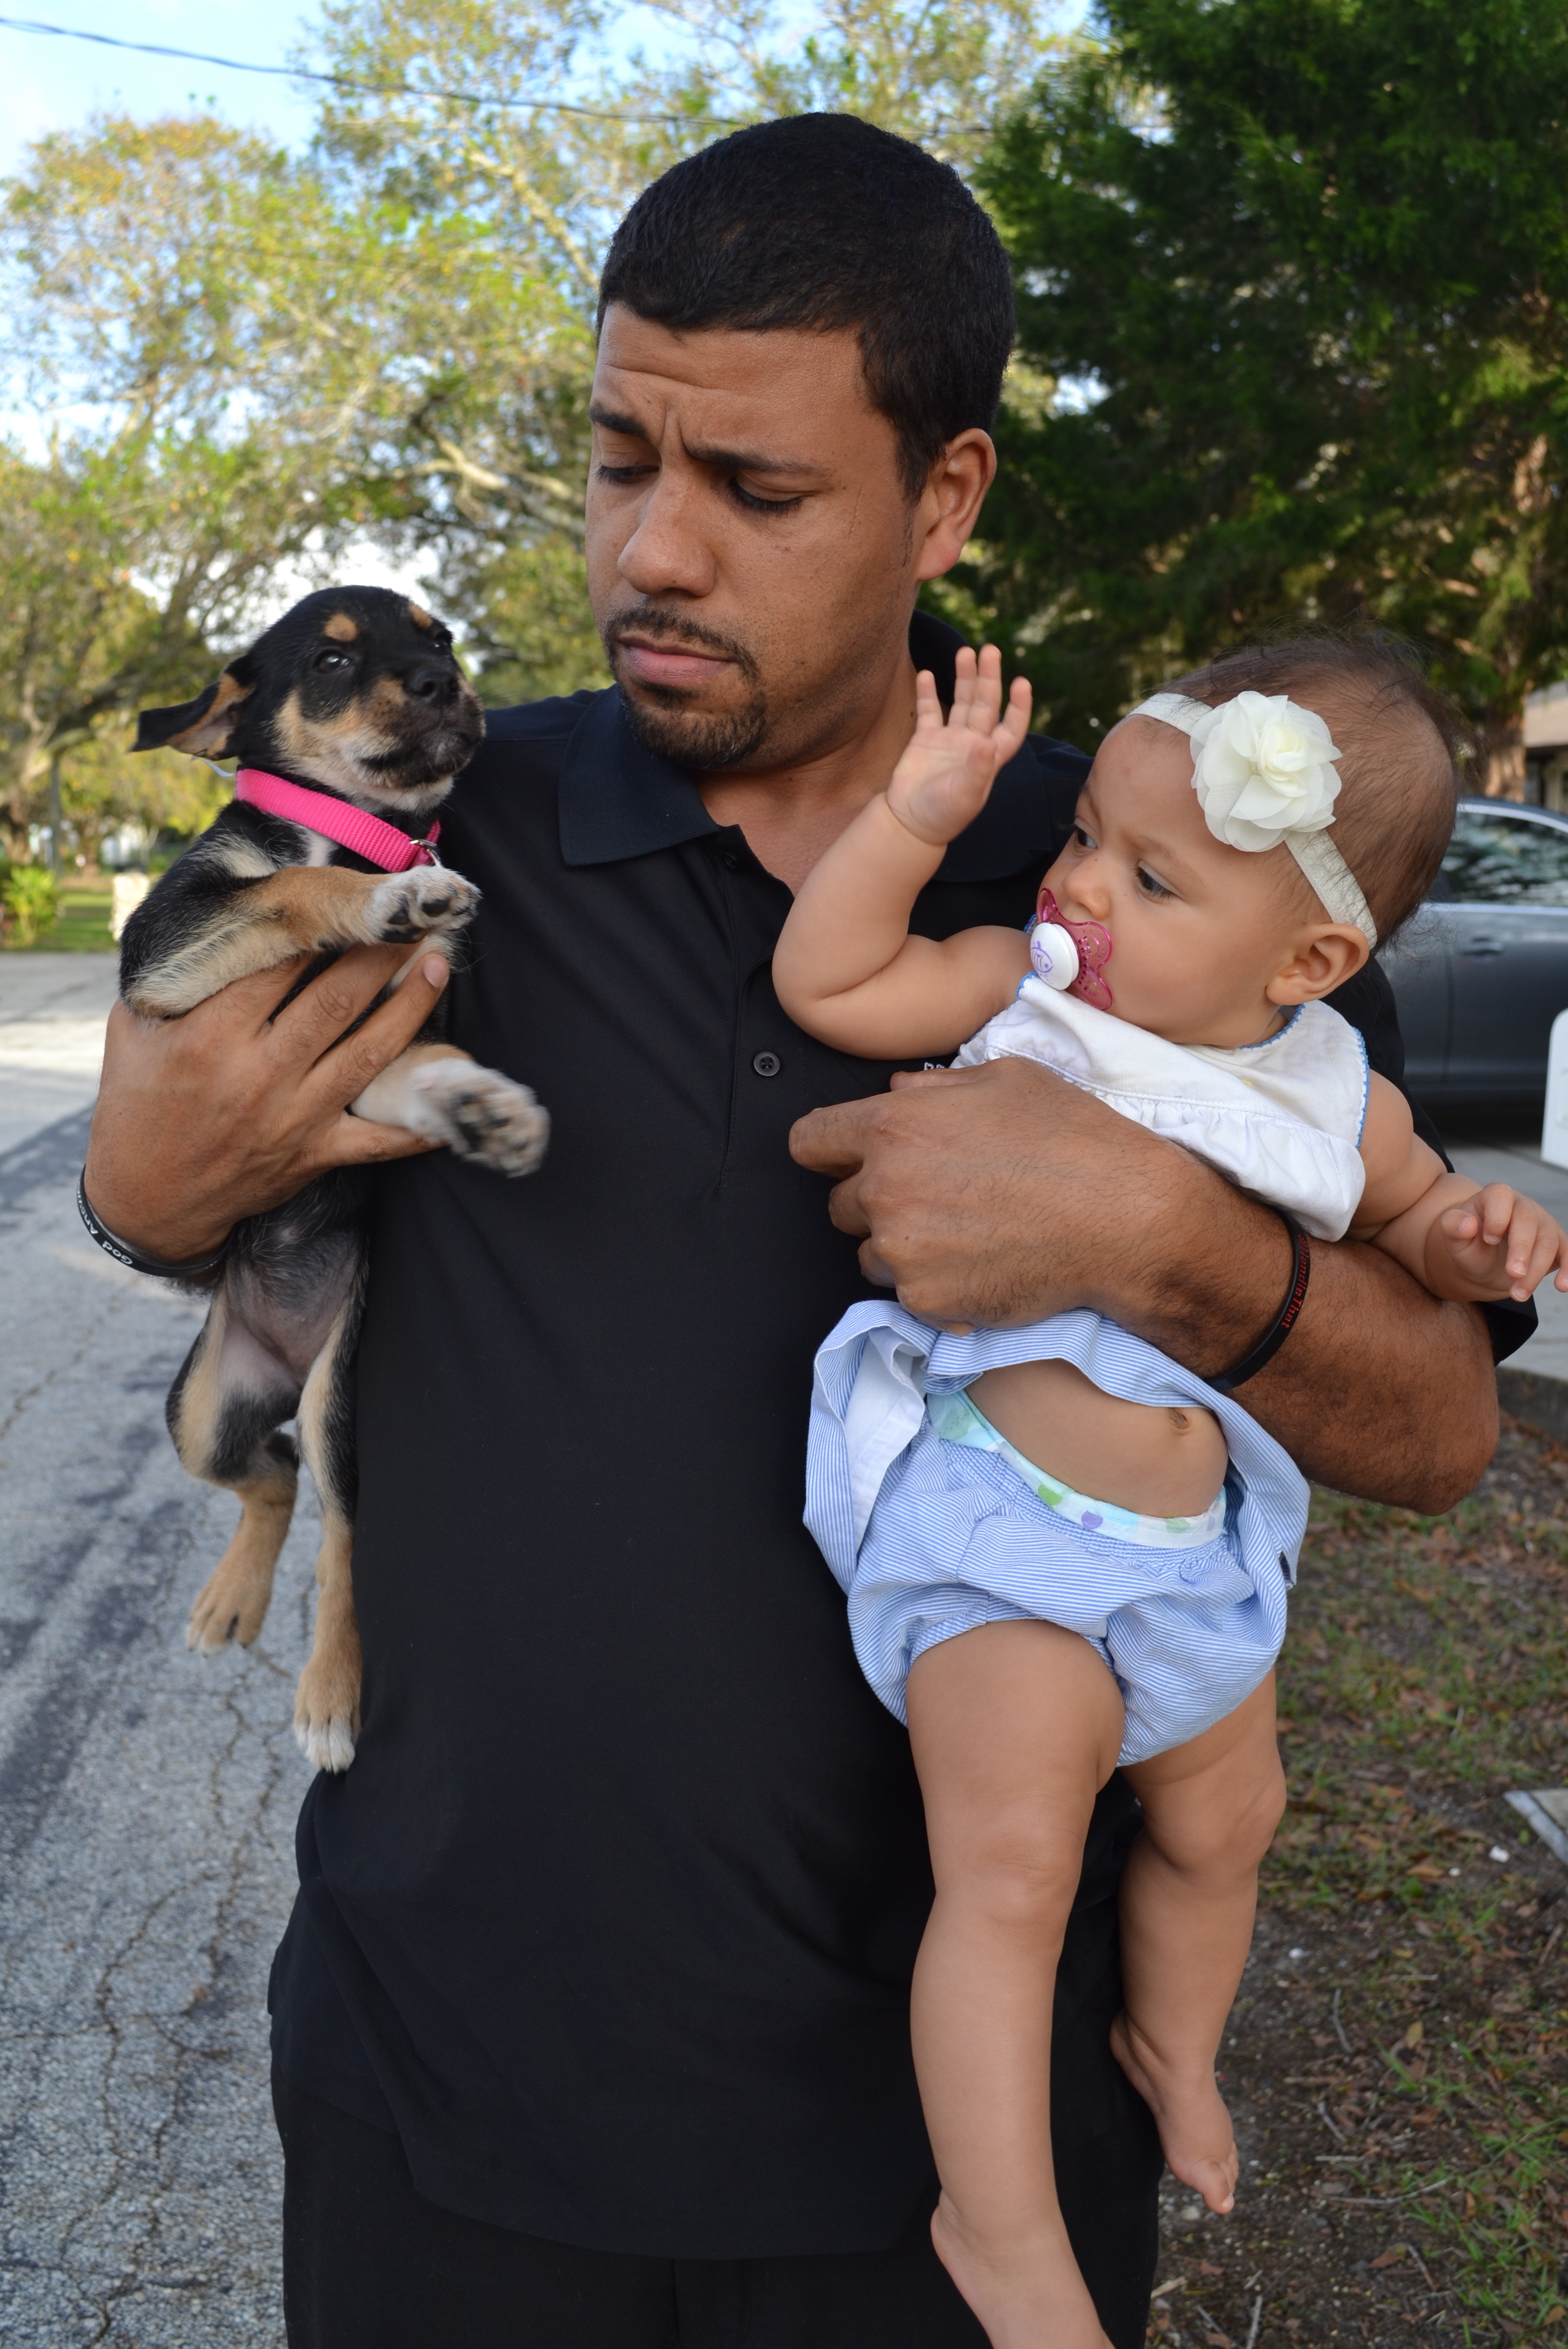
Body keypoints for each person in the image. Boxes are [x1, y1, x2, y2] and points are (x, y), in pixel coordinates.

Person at [81, 115, 1531, 2349]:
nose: (652, 548)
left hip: (950, 2163)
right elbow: (169, 1158)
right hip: (442, 2105)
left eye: (754, 491)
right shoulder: (468, 834)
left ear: (943, 497)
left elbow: (1441, 1426)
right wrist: (140, 1184)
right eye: (614, 457)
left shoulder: (1139, 902)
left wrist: (1159, 1238)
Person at [773, 637, 1567, 2346]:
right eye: (1083, 839)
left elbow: (1414, 1218)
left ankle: (1177, 2056)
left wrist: (1473, 1232)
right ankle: (1000, 2231)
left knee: (1228, 1827)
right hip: (1003, 1544)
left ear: (1313, 957)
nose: (1080, 886)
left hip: (1196, 1566)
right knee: (1010, 1870)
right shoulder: (1023, 1001)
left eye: (1151, 874)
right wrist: (917, 822)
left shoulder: (1332, 1099)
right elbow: (834, 986)